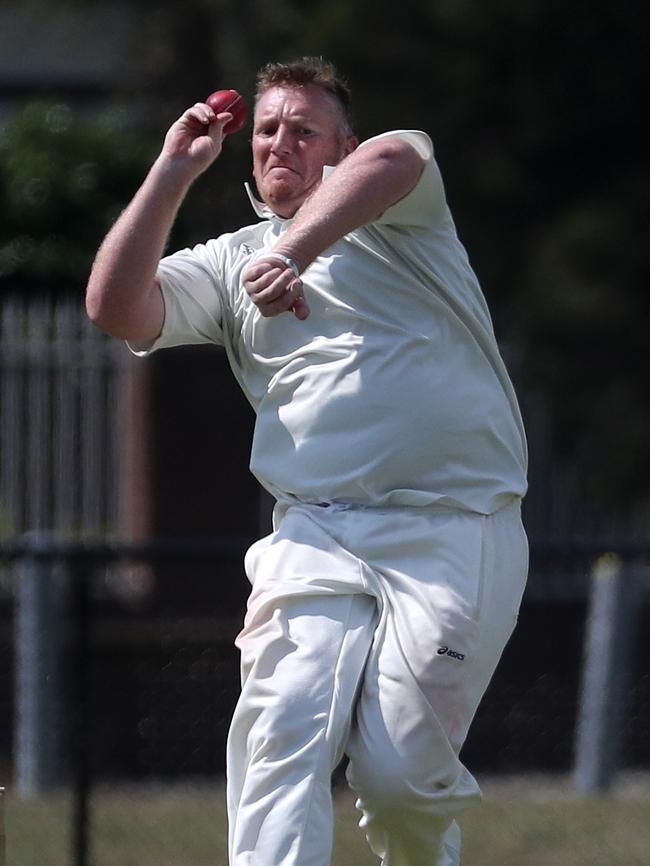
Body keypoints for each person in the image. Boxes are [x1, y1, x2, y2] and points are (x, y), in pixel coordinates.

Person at [86, 57, 528, 866]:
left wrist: (293, 251)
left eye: (302, 128)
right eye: (265, 129)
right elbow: (117, 306)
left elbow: (391, 162)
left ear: (341, 143)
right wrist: (170, 170)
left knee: (398, 783)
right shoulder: (229, 262)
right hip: (315, 531)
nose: (279, 141)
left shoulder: (403, 215)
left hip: (455, 526)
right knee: (280, 733)